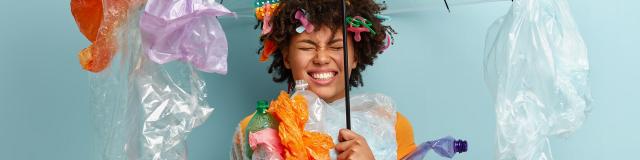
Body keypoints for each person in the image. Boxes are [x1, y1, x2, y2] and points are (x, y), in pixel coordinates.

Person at [232, 0, 416, 159]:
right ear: (287, 57)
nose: (322, 58)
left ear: (355, 57)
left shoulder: (390, 126)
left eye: (336, 47)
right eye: (307, 47)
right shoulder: (256, 128)